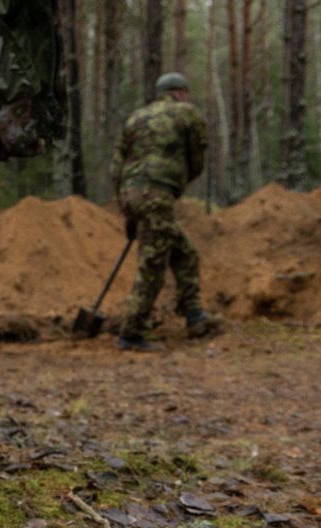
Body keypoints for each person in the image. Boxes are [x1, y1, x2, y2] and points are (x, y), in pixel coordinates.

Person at [112, 71, 222, 352]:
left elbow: (118, 165)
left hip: (131, 194)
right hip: (157, 194)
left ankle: (195, 317)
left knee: (185, 253)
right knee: (153, 264)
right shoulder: (187, 114)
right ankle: (130, 333)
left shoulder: (136, 118)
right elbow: (197, 159)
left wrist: (128, 209)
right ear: (180, 92)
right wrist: (177, 185)